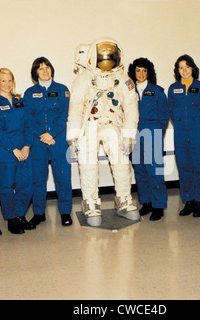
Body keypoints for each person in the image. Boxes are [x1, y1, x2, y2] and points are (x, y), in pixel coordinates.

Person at [67, 37, 140, 227]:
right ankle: (90, 202)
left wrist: (129, 134)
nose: (107, 60)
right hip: (89, 125)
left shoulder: (123, 79)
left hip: (113, 124)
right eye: (103, 56)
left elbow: (131, 107)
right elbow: (75, 106)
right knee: (88, 164)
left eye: (110, 56)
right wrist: (73, 135)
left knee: (121, 162)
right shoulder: (84, 78)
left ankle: (124, 199)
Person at [24, 57, 73, 227]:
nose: (45, 71)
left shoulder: (62, 90)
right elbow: (28, 119)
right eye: (40, 68)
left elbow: (64, 115)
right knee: (38, 178)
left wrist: (51, 134)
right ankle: (39, 213)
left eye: (47, 67)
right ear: (35, 72)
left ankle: (65, 212)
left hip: (58, 139)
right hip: (38, 141)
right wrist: (42, 134)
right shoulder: (29, 93)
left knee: (63, 176)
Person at [0, 68, 35, 234]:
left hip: (24, 151)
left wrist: (27, 146)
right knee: (7, 187)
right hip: (5, 153)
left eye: (9, 80)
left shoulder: (20, 101)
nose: (7, 84)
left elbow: (29, 125)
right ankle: (11, 219)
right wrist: (13, 149)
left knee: (26, 185)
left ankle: (20, 214)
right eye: (3, 80)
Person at [168, 54, 200, 218]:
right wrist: (178, 123)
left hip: (197, 132)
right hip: (180, 132)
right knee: (184, 167)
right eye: (181, 68)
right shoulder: (173, 88)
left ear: (193, 68)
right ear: (177, 70)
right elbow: (170, 110)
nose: (184, 71)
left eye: (187, 67)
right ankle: (189, 200)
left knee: (199, 167)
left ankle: (199, 202)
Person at [127, 57, 169, 221]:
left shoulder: (157, 90)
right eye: (138, 70)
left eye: (144, 70)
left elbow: (164, 114)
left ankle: (158, 206)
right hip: (134, 135)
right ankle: (146, 202)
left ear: (149, 72)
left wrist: (158, 131)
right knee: (140, 170)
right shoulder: (129, 91)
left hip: (152, 133)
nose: (141, 74)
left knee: (155, 171)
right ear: (133, 72)